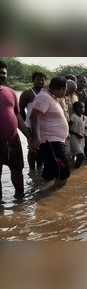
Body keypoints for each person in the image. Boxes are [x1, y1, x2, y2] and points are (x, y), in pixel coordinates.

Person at [30, 77, 70, 185]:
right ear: (61, 88)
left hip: (55, 141)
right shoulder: (44, 97)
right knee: (63, 171)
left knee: (51, 171)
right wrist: (36, 137)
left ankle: (43, 196)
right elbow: (34, 117)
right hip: (50, 141)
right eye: (65, 89)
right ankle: (51, 197)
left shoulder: (51, 97)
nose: (66, 92)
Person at [0, 61, 30, 200]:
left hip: (13, 140)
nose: (1, 76)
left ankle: (20, 200)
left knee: (18, 171)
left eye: (4, 73)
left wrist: (29, 136)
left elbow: (17, 116)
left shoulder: (10, 92)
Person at [19, 71, 47, 171]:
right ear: (33, 80)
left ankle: (39, 169)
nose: (41, 81)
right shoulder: (27, 93)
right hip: (31, 126)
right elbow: (20, 110)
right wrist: (25, 125)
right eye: (38, 79)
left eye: (43, 79)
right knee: (32, 149)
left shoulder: (47, 93)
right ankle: (31, 171)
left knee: (42, 149)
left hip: (44, 126)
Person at [69, 101, 87, 168]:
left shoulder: (85, 117)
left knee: (80, 155)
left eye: (83, 107)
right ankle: (75, 168)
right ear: (75, 108)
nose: (82, 109)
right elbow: (68, 128)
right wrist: (76, 134)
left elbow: (85, 128)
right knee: (80, 155)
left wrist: (85, 134)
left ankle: (74, 169)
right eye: (80, 107)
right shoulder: (73, 117)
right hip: (74, 138)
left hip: (82, 139)